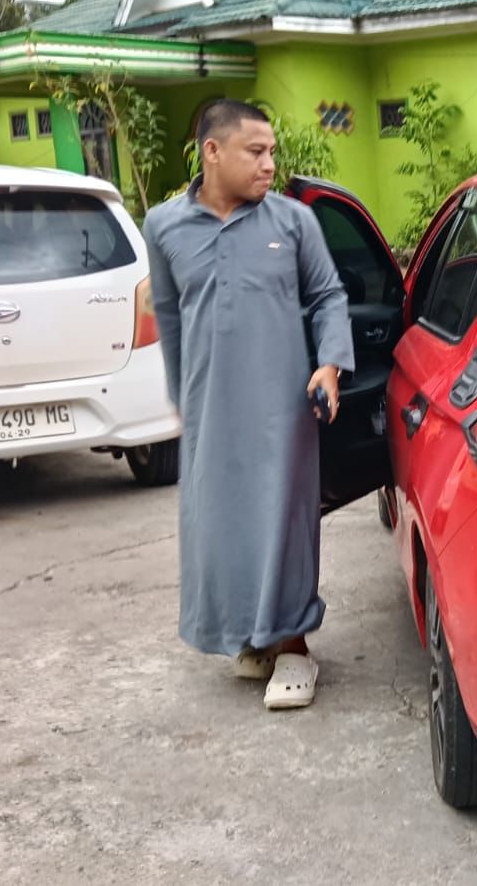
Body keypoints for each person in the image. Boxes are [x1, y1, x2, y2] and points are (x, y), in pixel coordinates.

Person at [143, 100, 354, 711]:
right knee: (220, 525)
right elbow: (170, 316)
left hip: (282, 408)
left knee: (282, 523)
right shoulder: (163, 226)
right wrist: (182, 397)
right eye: (255, 152)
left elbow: (329, 295)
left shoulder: (293, 222)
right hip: (210, 405)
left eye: (271, 152)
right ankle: (252, 637)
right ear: (212, 152)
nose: (269, 164)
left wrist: (330, 363)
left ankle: (296, 648)